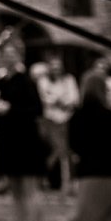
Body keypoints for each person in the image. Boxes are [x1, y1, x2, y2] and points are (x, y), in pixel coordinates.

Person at [0, 33, 48, 221]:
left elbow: (36, 111)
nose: (9, 57)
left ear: (19, 55)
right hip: (7, 140)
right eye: (5, 53)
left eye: (13, 53)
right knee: (14, 190)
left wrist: (9, 109)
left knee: (30, 188)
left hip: (27, 140)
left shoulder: (27, 81)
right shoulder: (0, 80)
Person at [64, 58, 111, 221]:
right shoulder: (109, 116)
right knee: (108, 216)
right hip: (110, 171)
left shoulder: (77, 117)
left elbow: (74, 146)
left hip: (90, 173)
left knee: (94, 220)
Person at [36, 51, 80, 195]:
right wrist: (60, 99)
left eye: (58, 66)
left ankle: (66, 183)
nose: (56, 69)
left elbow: (74, 99)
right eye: (53, 66)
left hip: (67, 120)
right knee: (57, 151)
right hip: (50, 120)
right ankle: (48, 180)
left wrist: (60, 100)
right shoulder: (43, 81)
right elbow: (44, 98)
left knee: (65, 152)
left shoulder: (69, 80)